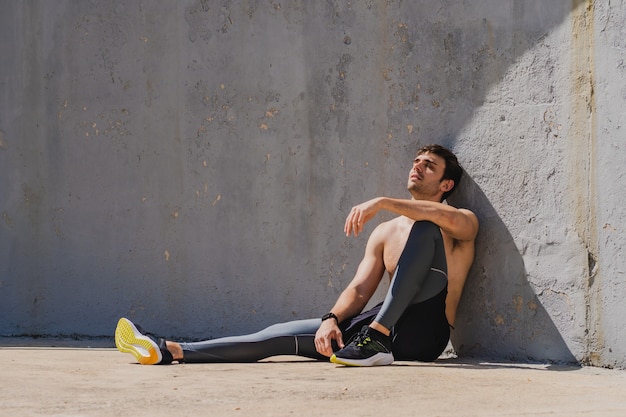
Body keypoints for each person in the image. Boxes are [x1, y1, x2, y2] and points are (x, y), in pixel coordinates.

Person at [115, 144, 478, 366]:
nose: (416, 167)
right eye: (415, 161)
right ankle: (169, 350)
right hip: (374, 330)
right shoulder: (385, 232)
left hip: (423, 334)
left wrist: (381, 202)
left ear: (446, 184)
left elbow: (441, 220)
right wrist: (331, 318)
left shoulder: (460, 223)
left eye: (428, 165)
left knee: (425, 228)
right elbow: (359, 290)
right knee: (277, 335)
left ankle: (376, 338)